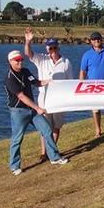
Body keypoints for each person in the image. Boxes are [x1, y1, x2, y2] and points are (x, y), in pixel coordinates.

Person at [5, 50, 68, 175]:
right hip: (18, 112)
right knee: (17, 139)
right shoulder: (9, 78)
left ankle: (54, 157)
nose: (20, 62)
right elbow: (21, 96)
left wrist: (49, 81)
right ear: (10, 62)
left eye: (21, 59)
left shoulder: (26, 72)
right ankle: (14, 166)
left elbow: (37, 83)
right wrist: (37, 108)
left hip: (32, 109)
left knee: (46, 129)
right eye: (17, 60)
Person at [24, 28, 74, 162]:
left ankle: (53, 150)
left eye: (54, 47)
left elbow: (70, 82)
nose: (52, 50)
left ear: (58, 47)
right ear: (47, 49)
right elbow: (28, 54)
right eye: (50, 48)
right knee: (44, 126)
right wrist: (28, 42)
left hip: (59, 98)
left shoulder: (66, 62)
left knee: (56, 126)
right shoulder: (41, 59)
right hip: (44, 97)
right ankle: (43, 153)